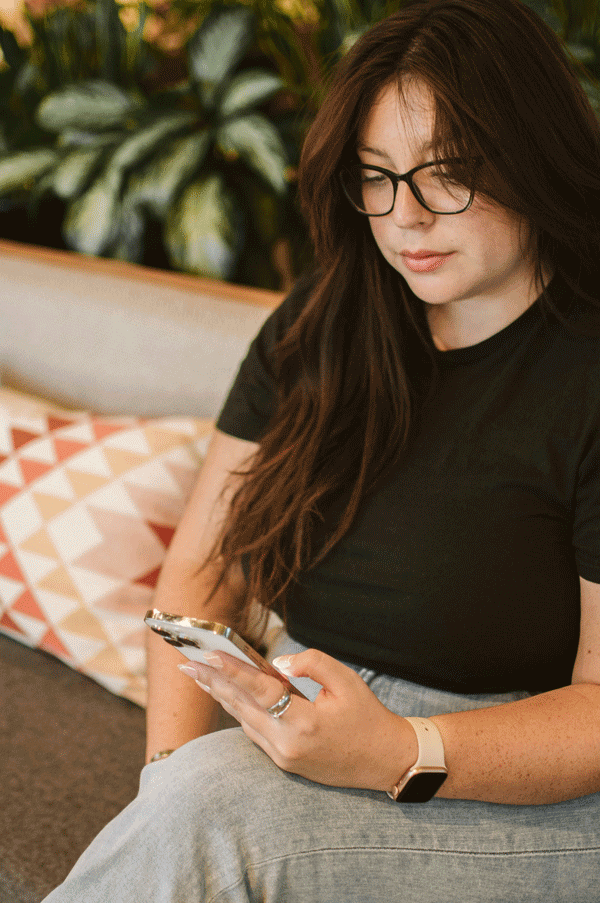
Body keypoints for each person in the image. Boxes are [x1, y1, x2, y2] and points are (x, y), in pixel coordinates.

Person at [42, 1, 600, 900]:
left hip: (528, 784)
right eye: (376, 176)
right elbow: (207, 570)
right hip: (291, 733)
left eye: (448, 173)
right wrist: (169, 782)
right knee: (199, 809)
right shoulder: (323, 323)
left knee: (213, 818)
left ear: (537, 153)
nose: (405, 216)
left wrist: (396, 748)